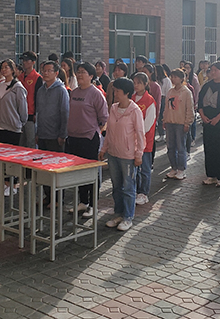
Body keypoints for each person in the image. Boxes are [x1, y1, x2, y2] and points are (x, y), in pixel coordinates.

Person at [99, 77, 145, 232]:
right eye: (114, 91)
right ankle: (118, 213)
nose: (115, 94)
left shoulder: (135, 111)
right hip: (113, 154)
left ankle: (128, 217)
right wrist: (104, 149)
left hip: (128, 156)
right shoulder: (113, 108)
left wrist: (139, 154)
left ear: (126, 93)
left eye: (117, 91)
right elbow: (109, 131)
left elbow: (140, 134)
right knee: (116, 186)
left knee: (128, 187)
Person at [67, 62, 109, 217]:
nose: (79, 75)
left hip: (89, 138)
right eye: (78, 72)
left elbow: (104, 118)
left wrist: (95, 131)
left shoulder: (96, 93)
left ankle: (93, 204)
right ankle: (83, 201)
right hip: (74, 137)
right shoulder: (74, 92)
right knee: (78, 172)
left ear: (91, 76)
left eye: (83, 72)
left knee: (91, 172)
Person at [0, 59, 28, 195]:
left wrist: (20, 122)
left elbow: (23, 109)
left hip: (13, 127)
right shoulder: (0, 86)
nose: (4, 70)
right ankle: (5, 183)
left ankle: (13, 185)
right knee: (2, 157)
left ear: (13, 70)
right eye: (2, 67)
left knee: (12, 158)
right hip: (0, 126)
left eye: (6, 67)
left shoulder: (18, 87)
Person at [164, 69, 195, 180]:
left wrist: (188, 123)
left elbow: (189, 109)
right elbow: (166, 107)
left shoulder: (186, 92)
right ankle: (174, 168)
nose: (173, 79)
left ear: (182, 79)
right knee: (170, 147)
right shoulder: (170, 91)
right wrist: (164, 119)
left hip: (180, 123)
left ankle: (181, 169)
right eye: (172, 77)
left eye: (175, 77)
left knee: (180, 147)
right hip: (170, 122)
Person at [131, 72, 156, 205]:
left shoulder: (149, 101)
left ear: (146, 84)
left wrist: (136, 133)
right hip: (131, 140)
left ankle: (144, 193)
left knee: (144, 168)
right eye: (134, 83)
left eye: (139, 83)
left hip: (145, 140)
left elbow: (148, 124)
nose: (136, 85)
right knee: (134, 168)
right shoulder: (131, 98)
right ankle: (135, 190)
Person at [35, 61, 69, 153]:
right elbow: (38, 113)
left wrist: (62, 135)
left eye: (49, 71)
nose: (46, 73)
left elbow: (65, 113)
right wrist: (37, 133)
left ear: (56, 73)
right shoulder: (40, 90)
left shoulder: (61, 90)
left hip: (55, 136)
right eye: (44, 71)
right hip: (42, 135)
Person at [18, 51, 41, 148]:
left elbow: (38, 97)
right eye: (23, 60)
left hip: (30, 114)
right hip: (19, 114)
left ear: (33, 62)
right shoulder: (19, 77)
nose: (24, 63)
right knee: (20, 142)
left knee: (31, 141)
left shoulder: (37, 78)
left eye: (27, 61)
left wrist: (36, 113)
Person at [155, 64, 172, 142]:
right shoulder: (156, 80)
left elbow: (169, 91)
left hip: (164, 98)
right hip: (157, 98)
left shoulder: (167, 80)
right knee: (159, 117)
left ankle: (165, 134)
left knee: (163, 117)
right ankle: (161, 134)